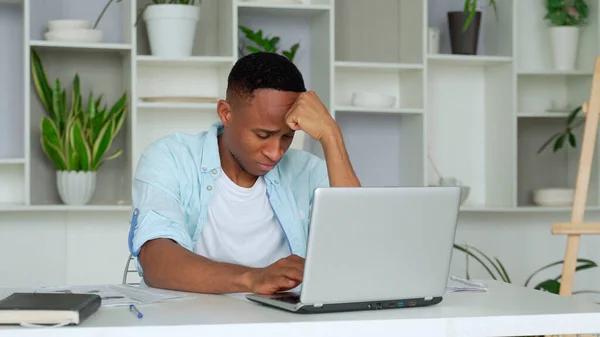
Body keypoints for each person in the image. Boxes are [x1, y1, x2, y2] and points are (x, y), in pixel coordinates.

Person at [128, 52, 361, 295]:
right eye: (262, 135)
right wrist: (254, 278)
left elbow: (358, 241)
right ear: (226, 114)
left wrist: (331, 136)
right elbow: (156, 261)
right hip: (191, 322)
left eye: (287, 136)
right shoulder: (171, 158)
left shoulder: (308, 171)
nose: (275, 152)